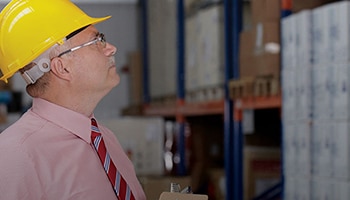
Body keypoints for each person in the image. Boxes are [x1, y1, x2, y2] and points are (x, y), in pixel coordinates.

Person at [0, 0, 146, 199]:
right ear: (63, 68)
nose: (111, 48)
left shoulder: (105, 139)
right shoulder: (15, 156)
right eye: (97, 41)